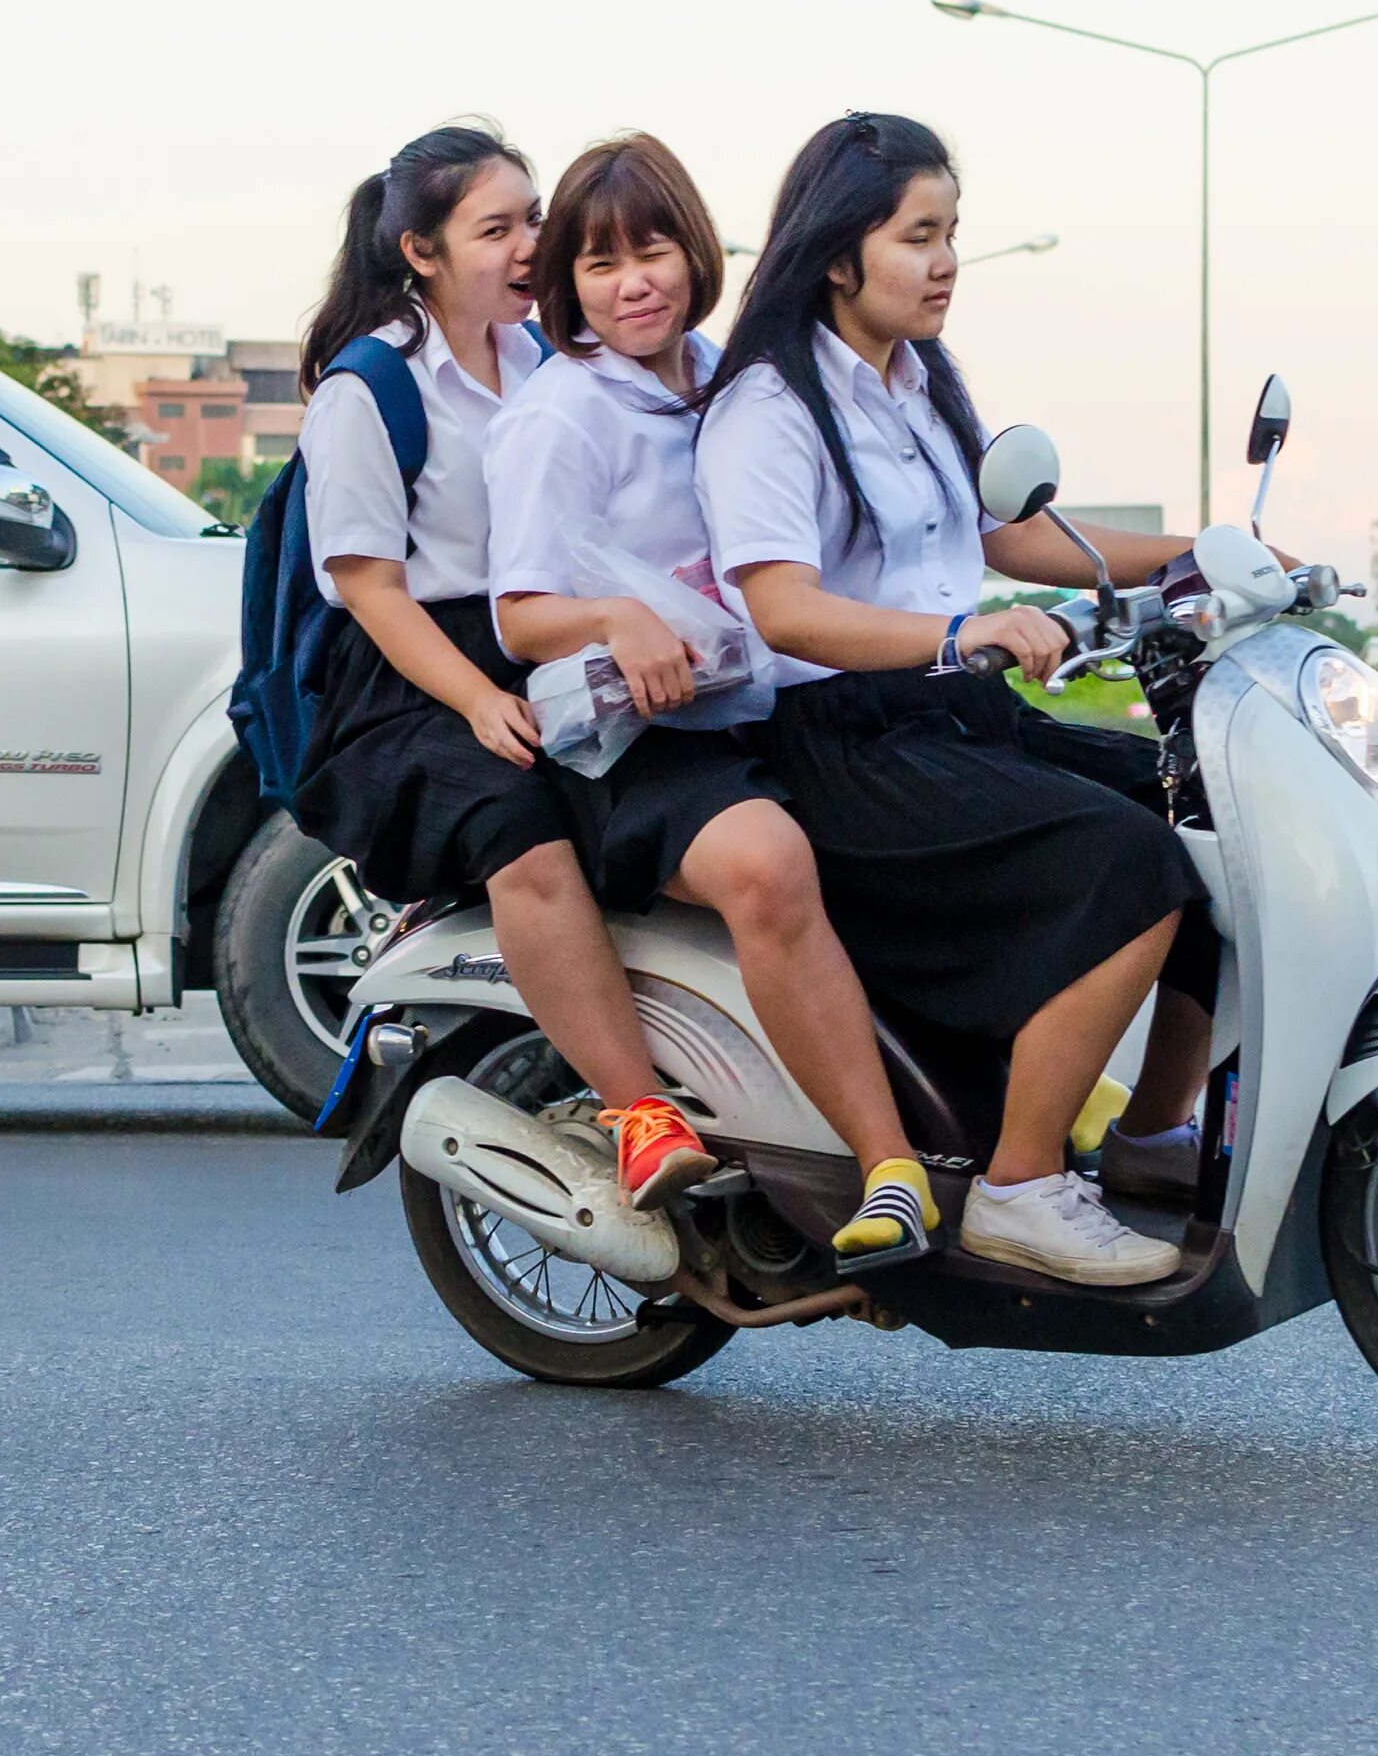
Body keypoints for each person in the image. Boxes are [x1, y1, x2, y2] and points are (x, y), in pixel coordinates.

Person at [694, 111, 1220, 1288]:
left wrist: (1214, 551)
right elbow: (780, 609)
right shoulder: (768, 409)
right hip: (842, 741)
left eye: (951, 236)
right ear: (839, 256)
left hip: (950, 712)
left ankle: (1147, 1138)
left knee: (1209, 815)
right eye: (917, 237)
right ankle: (1020, 1184)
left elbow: (1012, 532)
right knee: (1130, 860)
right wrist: (958, 630)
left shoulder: (920, 379)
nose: (943, 264)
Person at [485, 133, 932, 1263]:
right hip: (636, 746)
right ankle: (892, 1170)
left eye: (655, 249)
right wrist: (617, 618)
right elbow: (518, 612)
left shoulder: (728, 380)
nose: (634, 282)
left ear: (697, 249)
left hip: (756, 710)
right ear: (563, 287)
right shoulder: (562, 414)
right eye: (599, 264)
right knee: (768, 863)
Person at [283, 123, 710, 1212]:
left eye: (532, 218)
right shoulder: (368, 389)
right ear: (421, 251)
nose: (532, 244)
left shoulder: (542, 358)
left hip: (545, 639)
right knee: (520, 829)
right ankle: (636, 1111)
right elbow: (371, 587)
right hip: (412, 679)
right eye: (498, 227)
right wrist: (476, 699)